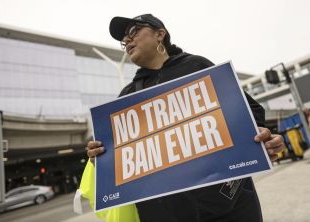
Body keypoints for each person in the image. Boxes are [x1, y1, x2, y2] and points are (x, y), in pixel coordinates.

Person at [85, 14, 285, 222]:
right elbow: (120, 161)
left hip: (230, 206)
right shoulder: (127, 98)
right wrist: (100, 157)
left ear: (160, 34)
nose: (126, 40)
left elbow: (248, 111)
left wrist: (261, 137)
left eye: (133, 31)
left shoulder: (197, 66)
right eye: (123, 40)